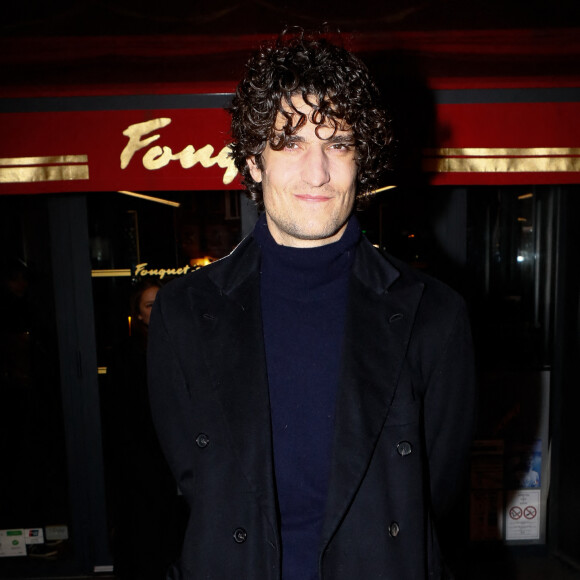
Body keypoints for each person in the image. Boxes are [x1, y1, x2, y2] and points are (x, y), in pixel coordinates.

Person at [148, 30, 476, 580]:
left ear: (360, 163)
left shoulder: (435, 315)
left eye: (339, 144)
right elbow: (190, 477)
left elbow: (435, 487)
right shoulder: (184, 311)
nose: (318, 172)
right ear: (254, 163)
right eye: (291, 143)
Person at [103, 280, 186, 579]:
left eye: (161, 301)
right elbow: (121, 414)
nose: (158, 309)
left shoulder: (183, 342)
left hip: (177, 450)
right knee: (145, 530)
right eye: (149, 305)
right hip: (141, 457)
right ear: (137, 315)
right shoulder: (126, 354)